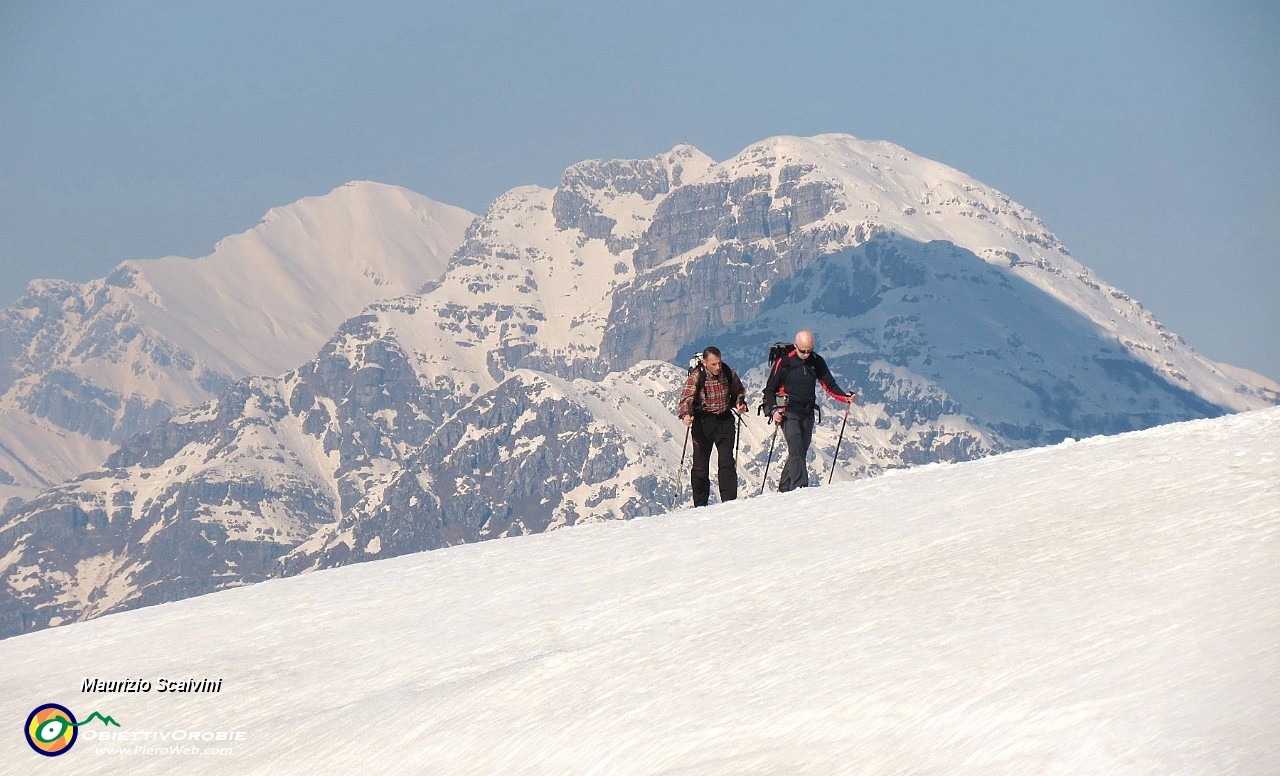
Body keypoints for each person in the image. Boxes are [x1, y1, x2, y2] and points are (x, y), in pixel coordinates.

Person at [762, 330, 854, 492]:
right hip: (788, 412)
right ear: (795, 346)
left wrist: (844, 397)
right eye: (802, 351)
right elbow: (769, 389)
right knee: (796, 447)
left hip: (807, 412)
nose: (805, 354)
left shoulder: (817, 361)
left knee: (799, 452)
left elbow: (829, 385)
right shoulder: (784, 362)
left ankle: (784, 490)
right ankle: (800, 489)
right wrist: (774, 410)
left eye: (808, 351)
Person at [677, 346, 750, 506]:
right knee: (700, 466)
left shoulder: (727, 372)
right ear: (704, 362)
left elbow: (739, 390)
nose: (718, 367)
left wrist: (740, 403)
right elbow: (686, 398)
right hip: (703, 423)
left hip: (724, 420)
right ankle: (700, 504)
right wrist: (686, 415)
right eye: (713, 364)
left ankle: (729, 502)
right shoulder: (697, 376)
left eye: (719, 363)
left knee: (726, 462)